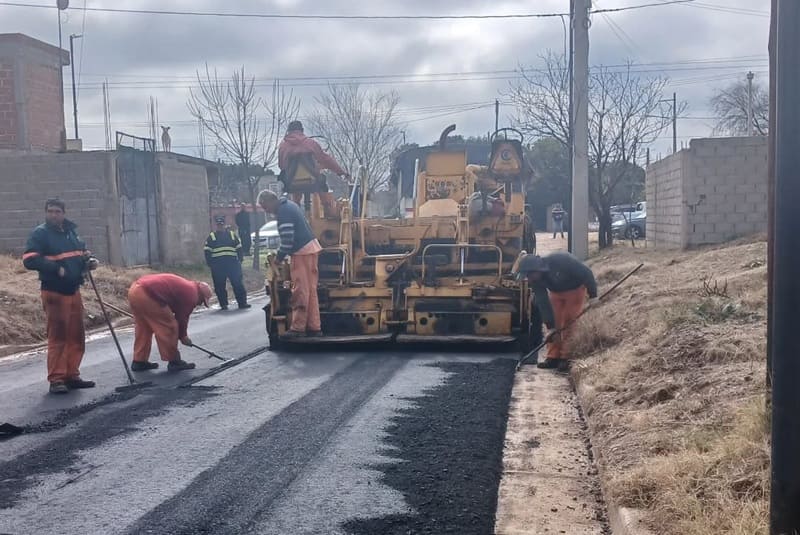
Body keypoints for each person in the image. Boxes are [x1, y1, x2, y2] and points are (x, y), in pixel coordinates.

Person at [23, 198, 98, 394]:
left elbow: (81, 252)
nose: (53, 215)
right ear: (46, 213)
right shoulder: (40, 234)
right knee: (58, 336)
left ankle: (72, 374)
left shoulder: (71, 232)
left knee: (76, 335)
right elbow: (29, 260)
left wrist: (88, 261)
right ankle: (57, 379)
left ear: (64, 213)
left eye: (57, 211)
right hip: (54, 292)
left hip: (74, 289)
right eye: (50, 211)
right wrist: (56, 269)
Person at [515, 251, 598, 371]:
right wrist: (550, 325)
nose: (528, 278)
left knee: (570, 322)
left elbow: (587, 273)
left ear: (537, 270)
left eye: (529, 275)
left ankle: (566, 357)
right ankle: (553, 357)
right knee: (555, 324)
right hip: (555, 293)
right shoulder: (535, 280)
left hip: (575, 290)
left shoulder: (561, 260)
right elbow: (542, 301)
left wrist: (593, 295)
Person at [257, 190, 322, 339]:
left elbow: (287, 241)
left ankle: (298, 328)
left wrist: (278, 259)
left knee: (300, 290)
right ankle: (314, 327)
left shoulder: (283, 212)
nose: (266, 211)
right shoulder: (290, 205)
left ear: (271, 201)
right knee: (311, 292)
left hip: (301, 252)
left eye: (265, 206)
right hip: (311, 249)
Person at [126, 273, 213, 372]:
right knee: (169, 327)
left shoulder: (188, 286)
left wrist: (182, 336)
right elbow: (181, 319)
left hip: (135, 290)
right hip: (148, 294)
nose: (200, 304)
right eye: (202, 301)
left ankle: (139, 362)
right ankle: (174, 362)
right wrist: (183, 336)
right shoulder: (192, 295)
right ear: (201, 294)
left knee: (144, 329)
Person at [278, 120, 349, 212]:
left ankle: (296, 210)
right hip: (313, 182)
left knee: (294, 184)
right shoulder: (311, 143)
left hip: (292, 184)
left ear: (288, 131)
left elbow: (281, 166)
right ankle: (327, 209)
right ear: (302, 130)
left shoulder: (283, 146)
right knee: (322, 184)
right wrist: (341, 172)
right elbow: (326, 159)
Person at [204, 215, 250, 310]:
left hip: (232, 264)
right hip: (218, 266)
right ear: (216, 225)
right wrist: (211, 264)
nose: (220, 226)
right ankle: (223, 304)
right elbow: (207, 251)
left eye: (222, 224)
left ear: (224, 224)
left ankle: (242, 303)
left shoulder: (232, 235)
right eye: (218, 225)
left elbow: (239, 248)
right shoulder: (211, 237)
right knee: (220, 285)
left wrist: (240, 260)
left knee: (237, 283)